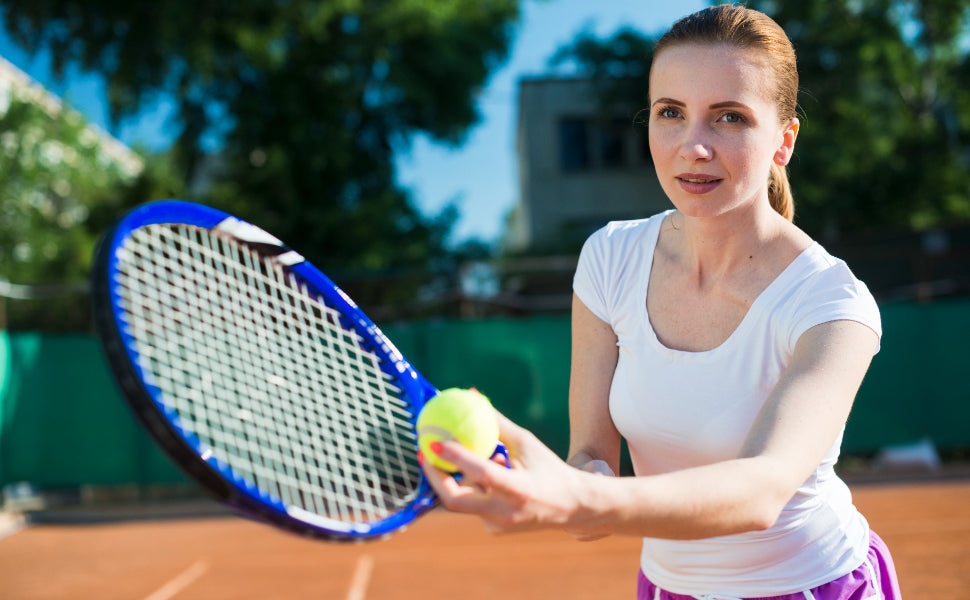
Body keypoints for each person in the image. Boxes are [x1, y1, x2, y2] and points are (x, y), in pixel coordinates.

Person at [421, 4, 902, 599]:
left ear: (784, 141)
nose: (693, 146)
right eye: (670, 113)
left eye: (728, 117)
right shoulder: (608, 259)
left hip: (813, 587)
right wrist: (553, 480)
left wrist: (581, 497)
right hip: (667, 588)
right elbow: (593, 456)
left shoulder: (832, 303)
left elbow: (762, 490)